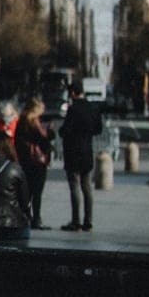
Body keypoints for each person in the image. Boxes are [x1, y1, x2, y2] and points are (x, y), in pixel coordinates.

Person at [60, 80, 103, 232]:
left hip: (73, 152)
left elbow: (65, 130)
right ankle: (88, 221)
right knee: (87, 188)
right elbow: (98, 129)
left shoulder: (73, 109)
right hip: (87, 151)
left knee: (74, 187)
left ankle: (76, 221)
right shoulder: (93, 108)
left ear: (72, 93)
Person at [13, 97, 54, 229]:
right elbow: (44, 138)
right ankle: (36, 219)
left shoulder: (22, 120)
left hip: (25, 160)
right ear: (36, 109)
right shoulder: (33, 121)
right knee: (37, 192)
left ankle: (25, 217)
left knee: (27, 191)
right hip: (37, 160)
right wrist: (49, 130)